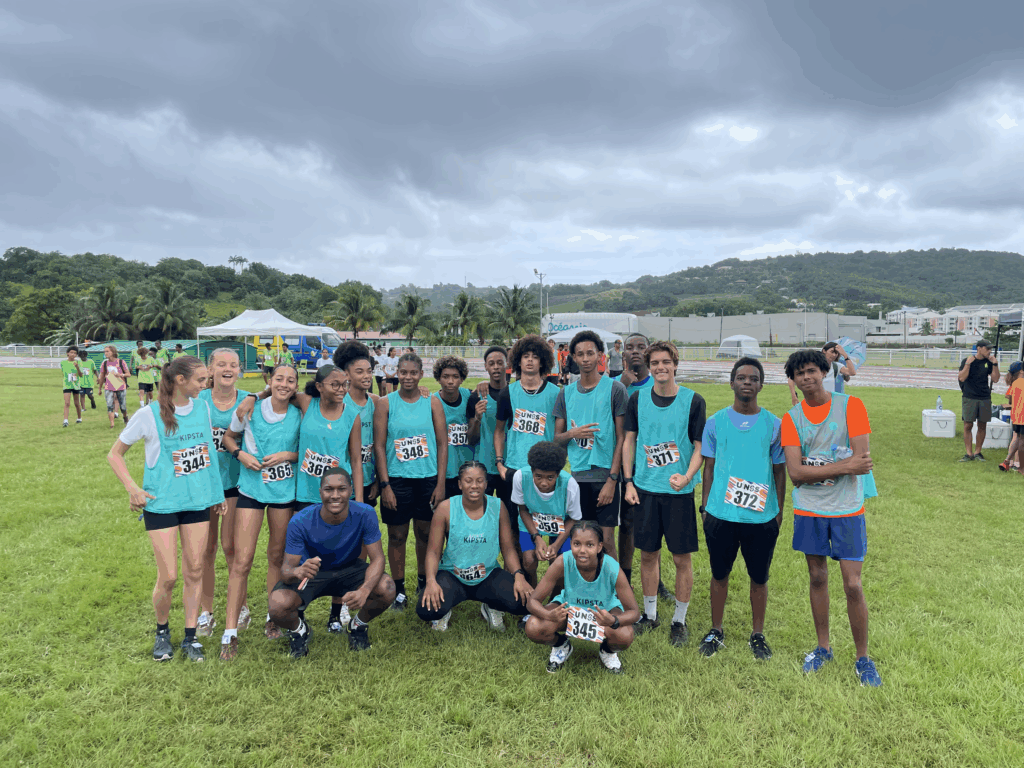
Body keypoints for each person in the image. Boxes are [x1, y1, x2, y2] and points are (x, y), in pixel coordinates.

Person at [107, 355, 226, 662]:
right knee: (170, 576)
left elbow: (208, 452)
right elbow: (115, 454)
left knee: (195, 569)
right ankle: (162, 632)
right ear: (180, 381)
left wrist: (217, 494)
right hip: (162, 505)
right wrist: (133, 488)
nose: (205, 384)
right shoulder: (148, 414)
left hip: (197, 502)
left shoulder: (203, 408)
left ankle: (190, 637)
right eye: (200, 379)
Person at [782, 349, 881, 687]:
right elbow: (796, 474)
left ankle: (863, 657)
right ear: (793, 380)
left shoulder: (851, 406)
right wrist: (843, 466)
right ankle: (823, 647)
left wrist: (821, 468)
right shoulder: (792, 418)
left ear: (824, 372)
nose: (806, 377)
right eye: (799, 374)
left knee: (853, 584)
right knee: (817, 577)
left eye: (812, 370)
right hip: (809, 509)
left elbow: (862, 461)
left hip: (847, 508)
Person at [698, 357, 786, 660]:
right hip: (721, 514)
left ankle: (757, 634)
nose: (747, 382)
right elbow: (709, 468)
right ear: (731, 382)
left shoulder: (774, 425)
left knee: (759, 577)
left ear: (761, 385)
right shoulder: (716, 422)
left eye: (753, 378)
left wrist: (779, 511)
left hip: (761, 517)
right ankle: (716, 629)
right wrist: (706, 507)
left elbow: (779, 471)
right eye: (741, 377)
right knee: (719, 574)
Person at [622, 341, 705, 645]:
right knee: (648, 555)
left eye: (666, 362)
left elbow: (700, 447)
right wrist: (628, 482)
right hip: (645, 489)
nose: (660, 367)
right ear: (650, 366)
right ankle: (650, 615)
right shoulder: (637, 400)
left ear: (675, 365)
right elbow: (629, 441)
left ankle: (679, 621)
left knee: (681, 558)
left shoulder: (693, 401)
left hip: (678, 492)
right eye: (655, 362)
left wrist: (687, 476)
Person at [268, 468, 396, 657]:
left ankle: (357, 626)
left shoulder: (365, 513)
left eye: (341, 489)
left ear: (351, 491)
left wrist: (364, 590)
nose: (335, 495)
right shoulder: (300, 520)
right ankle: (300, 631)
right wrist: (298, 571)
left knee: (387, 587)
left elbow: (378, 558)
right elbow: (286, 571)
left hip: (349, 568)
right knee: (277, 605)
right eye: (329, 489)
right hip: (313, 573)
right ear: (320, 492)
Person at [221, 364, 301, 647]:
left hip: (283, 493)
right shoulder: (250, 408)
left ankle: (273, 617)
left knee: (277, 557)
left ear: (296, 386)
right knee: (242, 560)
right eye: (279, 379)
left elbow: (305, 450)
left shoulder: (299, 413)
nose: (284, 384)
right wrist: (240, 454)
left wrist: (288, 455)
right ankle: (230, 631)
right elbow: (228, 437)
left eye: (290, 380)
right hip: (252, 491)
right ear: (270, 381)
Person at [417, 461, 532, 632]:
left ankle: (491, 606)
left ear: (486, 484)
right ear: (459, 484)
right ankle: (444, 611)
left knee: (524, 603)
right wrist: (431, 581)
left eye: (479, 481)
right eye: (468, 481)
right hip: (452, 575)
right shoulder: (445, 508)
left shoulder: (498, 506)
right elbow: (433, 552)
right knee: (426, 609)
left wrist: (519, 576)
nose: (474, 486)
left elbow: (508, 549)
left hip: (488, 574)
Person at [373, 352, 448, 611]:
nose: (408, 377)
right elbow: (379, 446)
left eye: (413, 373)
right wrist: (385, 485)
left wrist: (440, 483)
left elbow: (442, 444)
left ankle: (424, 582)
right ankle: (399, 589)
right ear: (396, 373)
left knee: (425, 533)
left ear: (421, 375)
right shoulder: (386, 403)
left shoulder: (432, 402)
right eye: (403, 372)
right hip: (397, 480)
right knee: (397, 535)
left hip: (427, 478)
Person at [525, 521, 639, 674]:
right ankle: (561, 645)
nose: (582, 551)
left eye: (589, 545)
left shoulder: (611, 566)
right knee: (533, 626)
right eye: (577, 544)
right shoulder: (563, 560)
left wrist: (613, 620)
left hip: (604, 613)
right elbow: (532, 601)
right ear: (570, 544)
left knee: (625, 635)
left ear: (599, 547)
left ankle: (608, 651)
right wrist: (548, 615)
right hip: (569, 610)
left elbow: (634, 612)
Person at [553, 330, 628, 557]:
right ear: (573, 358)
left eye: (590, 353)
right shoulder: (565, 393)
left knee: (606, 540)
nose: (585, 358)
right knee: (582, 540)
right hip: (578, 477)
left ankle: (612, 581)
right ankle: (584, 579)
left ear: (600, 356)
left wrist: (612, 480)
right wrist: (573, 433)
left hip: (605, 477)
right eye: (580, 354)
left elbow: (622, 438)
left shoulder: (615, 389)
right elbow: (557, 439)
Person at [195, 349, 251, 646]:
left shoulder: (249, 400)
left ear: (240, 370)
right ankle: (206, 612)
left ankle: (240, 606)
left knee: (231, 547)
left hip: (234, 483)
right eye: (221, 364)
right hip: (204, 485)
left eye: (233, 364)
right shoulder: (198, 400)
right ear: (210, 369)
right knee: (206, 549)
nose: (227, 369)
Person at [612, 333, 668, 596]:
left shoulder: (659, 384)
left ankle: (656, 581)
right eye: (629, 347)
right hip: (624, 464)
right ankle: (625, 576)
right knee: (627, 523)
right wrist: (621, 386)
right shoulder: (614, 385)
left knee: (653, 526)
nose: (634, 351)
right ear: (622, 353)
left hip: (653, 465)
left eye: (640, 347)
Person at [494, 335, 560, 491]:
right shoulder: (507, 393)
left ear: (542, 362)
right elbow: (499, 430)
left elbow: (561, 433)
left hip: (545, 469)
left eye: (535, 357)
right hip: (514, 467)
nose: (530, 360)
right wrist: (499, 463)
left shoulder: (556, 394)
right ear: (518, 361)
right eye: (526, 356)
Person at [513, 441, 581, 586]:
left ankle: (555, 596)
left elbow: (573, 518)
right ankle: (532, 592)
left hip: (561, 525)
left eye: (550, 477)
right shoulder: (520, 477)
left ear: (558, 474)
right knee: (529, 561)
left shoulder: (570, 485)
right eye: (538, 476)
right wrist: (537, 537)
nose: (544, 483)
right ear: (532, 471)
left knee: (560, 563)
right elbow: (522, 509)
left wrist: (556, 545)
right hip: (530, 522)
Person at [466, 347, 512, 515]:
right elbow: (471, 440)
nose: (496, 367)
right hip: (484, 467)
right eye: (491, 363)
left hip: (510, 465)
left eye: (500, 363)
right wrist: (477, 418)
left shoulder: (515, 394)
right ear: (485, 366)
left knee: (509, 516)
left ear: (507, 365)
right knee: (482, 514)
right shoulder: (477, 396)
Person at [334, 341, 380, 508]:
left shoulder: (376, 402)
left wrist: (377, 481)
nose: (366, 376)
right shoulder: (338, 401)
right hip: (341, 480)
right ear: (346, 374)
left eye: (369, 371)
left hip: (368, 479)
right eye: (359, 372)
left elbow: (380, 445)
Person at [433, 355, 475, 499]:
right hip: (443, 472)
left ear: (462, 378)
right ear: (438, 378)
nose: (450, 381)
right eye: (445, 376)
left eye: (455, 377)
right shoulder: (432, 402)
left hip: (468, 470)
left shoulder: (470, 396)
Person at [958, 340, 1000, 462]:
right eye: (987, 349)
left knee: (982, 425)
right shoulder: (967, 361)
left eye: (990, 349)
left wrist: (995, 364)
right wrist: (968, 364)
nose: (989, 351)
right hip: (969, 396)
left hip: (984, 397)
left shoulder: (989, 362)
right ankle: (968, 453)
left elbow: (995, 379)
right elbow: (961, 377)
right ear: (979, 348)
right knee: (968, 425)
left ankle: (977, 452)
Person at [788, 342, 857, 405]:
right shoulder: (814, 365)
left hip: (830, 402)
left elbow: (852, 372)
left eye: (836, 353)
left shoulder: (836, 366)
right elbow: (791, 378)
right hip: (813, 401)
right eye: (832, 352)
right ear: (824, 351)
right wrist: (794, 396)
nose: (834, 355)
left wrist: (845, 355)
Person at [97, 345, 131, 428]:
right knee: (109, 406)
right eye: (105, 351)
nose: (106, 353)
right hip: (109, 387)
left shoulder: (121, 362)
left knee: (122, 406)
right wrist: (100, 388)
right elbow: (102, 376)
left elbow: (128, 374)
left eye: (107, 351)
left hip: (120, 386)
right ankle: (112, 424)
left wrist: (121, 375)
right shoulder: (104, 363)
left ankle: (125, 418)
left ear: (113, 352)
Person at [999, 361, 1024, 473]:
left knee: (1018, 438)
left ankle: (1007, 461)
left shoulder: (1015, 383)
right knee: (1022, 441)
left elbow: (1010, 399)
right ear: (1021, 371)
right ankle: (1021, 468)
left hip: (1016, 416)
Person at [60, 345, 84, 427]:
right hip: (67, 385)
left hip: (76, 385)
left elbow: (81, 375)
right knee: (67, 403)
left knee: (76, 403)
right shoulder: (63, 363)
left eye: (75, 353)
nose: (73, 354)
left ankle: (79, 418)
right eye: (71, 352)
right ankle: (65, 420)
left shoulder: (78, 362)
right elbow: (64, 373)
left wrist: (77, 367)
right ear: (67, 353)